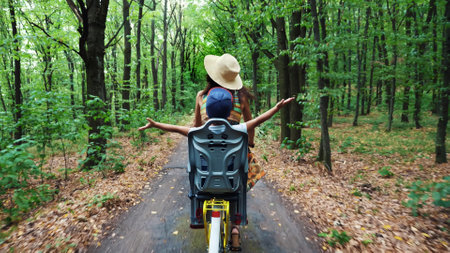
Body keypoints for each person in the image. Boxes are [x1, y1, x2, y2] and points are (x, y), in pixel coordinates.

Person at [139, 88, 294, 251]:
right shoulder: (239, 130)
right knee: (242, 177)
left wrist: (155, 124)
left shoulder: (195, 132)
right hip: (232, 184)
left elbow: (174, 128)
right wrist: (276, 108)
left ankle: (201, 217)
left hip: (203, 183)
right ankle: (235, 228)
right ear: (229, 111)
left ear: (207, 111)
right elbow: (260, 119)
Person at [194, 53, 265, 193]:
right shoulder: (241, 97)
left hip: (207, 152)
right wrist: (250, 142)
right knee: (247, 160)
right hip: (233, 153)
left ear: (211, 75)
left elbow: (196, 128)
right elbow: (250, 125)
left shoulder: (201, 96)